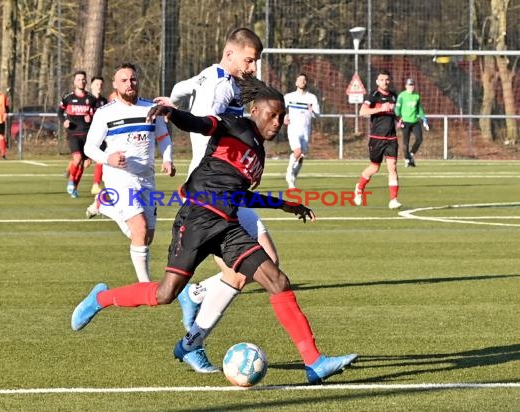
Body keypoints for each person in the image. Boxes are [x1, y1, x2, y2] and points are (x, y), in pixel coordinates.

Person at [71, 75, 358, 385]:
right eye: (272, 114)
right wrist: (173, 114)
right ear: (254, 110)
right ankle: (101, 299)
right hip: (196, 219)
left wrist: (282, 204)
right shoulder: (236, 125)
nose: (277, 122)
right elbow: (201, 123)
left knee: (277, 279)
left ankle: (314, 362)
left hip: (227, 227)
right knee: (166, 294)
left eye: (281, 116)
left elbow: (238, 194)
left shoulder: (258, 154)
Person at [154, 27, 280, 370]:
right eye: (250, 60)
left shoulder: (215, 76)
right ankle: (192, 334)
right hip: (215, 190)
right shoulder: (221, 86)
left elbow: (183, 87)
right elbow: (206, 124)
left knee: (256, 269)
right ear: (230, 54)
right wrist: (177, 113)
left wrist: (171, 100)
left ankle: (194, 303)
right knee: (252, 271)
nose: (253, 67)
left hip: (226, 186)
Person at [84, 63, 175, 283]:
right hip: (119, 177)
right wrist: (109, 158)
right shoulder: (105, 113)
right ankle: (145, 285)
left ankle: (105, 204)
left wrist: (167, 158)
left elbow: (162, 137)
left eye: (133, 79)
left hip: (146, 177)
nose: (129, 84)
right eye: (123, 80)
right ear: (115, 85)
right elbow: (89, 147)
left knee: (145, 237)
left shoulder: (150, 109)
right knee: (140, 227)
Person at [353, 70, 402, 210]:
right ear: (377, 81)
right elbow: (362, 112)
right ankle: (359, 188)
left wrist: (400, 120)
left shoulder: (394, 96)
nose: (385, 82)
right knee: (374, 167)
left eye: (387, 79)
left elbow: (396, 114)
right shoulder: (374, 96)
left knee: (392, 167)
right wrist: (380, 108)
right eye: (382, 80)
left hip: (391, 138)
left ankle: (393, 200)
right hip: (376, 138)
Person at [57, 70, 97, 198]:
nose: (81, 81)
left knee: (84, 164)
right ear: (74, 82)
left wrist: (90, 119)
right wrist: (65, 121)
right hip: (73, 134)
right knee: (77, 158)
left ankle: (74, 187)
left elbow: (96, 116)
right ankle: (71, 181)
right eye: (78, 79)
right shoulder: (68, 97)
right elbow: (59, 112)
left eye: (83, 79)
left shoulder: (91, 99)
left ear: (86, 81)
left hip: (87, 135)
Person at [283, 73, 320, 189]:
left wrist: (312, 110)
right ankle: (289, 175)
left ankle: (293, 177)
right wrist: (284, 117)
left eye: (304, 80)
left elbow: (318, 115)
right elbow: (280, 111)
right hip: (293, 129)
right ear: (296, 83)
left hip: (305, 130)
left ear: (306, 82)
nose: (302, 81)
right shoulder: (289, 96)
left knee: (301, 156)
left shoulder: (312, 98)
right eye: (300, 80)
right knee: (297, 152)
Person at [395, 78, 429, 167]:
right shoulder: (402, 96)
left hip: (414, 121)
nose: (411, 87)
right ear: (406, 86)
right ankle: (407, 159)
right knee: (405, 142)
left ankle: (411, 154)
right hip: (405, 122)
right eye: (409, 85)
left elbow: (419, 109)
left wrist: (424, 119)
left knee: (419, 138)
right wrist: (399, 119)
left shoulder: (416, 96)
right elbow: (397, 109)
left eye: (412, 85)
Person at [89, 76, 109, 195]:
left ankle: (96, 184)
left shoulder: (104, 102)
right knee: (81, 161)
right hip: (84, 133)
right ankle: (71, 178)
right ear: (91, 86)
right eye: (97, 84)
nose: (99, 86)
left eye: (101, 84)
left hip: (99, 135)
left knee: (101, 159)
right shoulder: (85, 99)